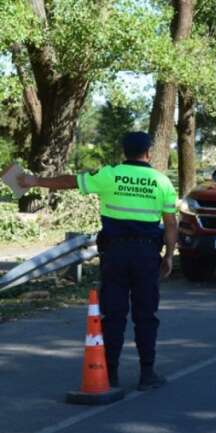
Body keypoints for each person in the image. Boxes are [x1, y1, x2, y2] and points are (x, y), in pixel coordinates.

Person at [18, 132, 178, 391]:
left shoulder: (109, 175)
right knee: (146, 314)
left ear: (124, 152)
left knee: (113, 314)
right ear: (148, 152)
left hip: (114, 254)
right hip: (146, 256)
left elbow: (71, 182)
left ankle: (111, 373)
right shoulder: (162, 182)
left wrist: (35, 181)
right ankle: (147, 374)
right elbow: (171, 224)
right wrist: (169, 256)